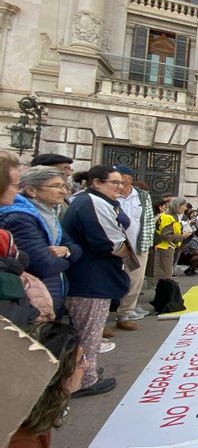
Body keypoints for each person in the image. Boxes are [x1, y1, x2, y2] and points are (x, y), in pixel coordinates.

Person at [62, 165, 131, 398]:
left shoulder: (89, 201)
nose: (120, 187)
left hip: (91, 277)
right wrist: (125, 251)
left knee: (85, 331)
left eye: (121, 183)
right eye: (114, 182)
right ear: (97, 183)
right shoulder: (91, 203)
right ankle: (85, 380)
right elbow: (110, 242)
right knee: (88, 333)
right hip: (90, 279)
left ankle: (82, 371)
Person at [0, 166, 82, 319]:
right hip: (33, 299)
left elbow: (74, 246)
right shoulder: (20, 217)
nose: (64, 191)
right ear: (31, 190)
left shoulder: (47, 214)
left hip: (49, 291)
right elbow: (44, 264)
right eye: (57, 186)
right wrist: (69, 260)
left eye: (64, 186)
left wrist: (67, 251)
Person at [8, 321, 83, 446]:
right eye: (80, 361)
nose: (87, 365)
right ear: (59, 374)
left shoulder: (34, 408)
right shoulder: (22, 441)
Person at [113, 165, 153, 331]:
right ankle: (101, 316)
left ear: (128, 178)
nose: (117, 181)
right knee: (110, 279)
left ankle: (124, 315)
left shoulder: (142, 196)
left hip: (137, 245)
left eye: (119, 177)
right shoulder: (110, 195)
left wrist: (146, 244)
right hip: (114, 246)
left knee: (134, 280)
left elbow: (149, 220)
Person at [154, 198, 188, 280]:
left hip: (168, 247)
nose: (186, 208)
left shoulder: (172, 216)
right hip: (165, 247)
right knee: (165, 272)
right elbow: (167, 236)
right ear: (178, 206)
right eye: (184, 206)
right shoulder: (168, 217)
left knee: (166, 271)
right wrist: (183, 236)